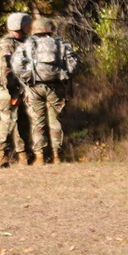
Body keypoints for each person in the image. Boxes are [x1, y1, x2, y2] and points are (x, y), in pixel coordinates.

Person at [11, 17, 79, 165]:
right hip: (56, 87)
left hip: (34, 87)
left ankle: (40, 157)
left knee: (37, 121)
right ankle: (57, 156)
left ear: (35, 30)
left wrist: (27, 77)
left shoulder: (28, 44)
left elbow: (16, 65)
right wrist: (64, 75)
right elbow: (73, 63)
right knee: (55, 121)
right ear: (50, 29)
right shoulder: (61, 44)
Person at [0, 12, 32, 167]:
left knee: (22, 121)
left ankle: (23, 156)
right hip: (8, 90)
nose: (29, 27)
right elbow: (5, 69)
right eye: (26, 24)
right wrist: (13, 89)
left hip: (21, 88)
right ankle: (3, 156)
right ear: (19, 26)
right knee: (7, 121)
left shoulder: (23, 42)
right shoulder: (7, 44)